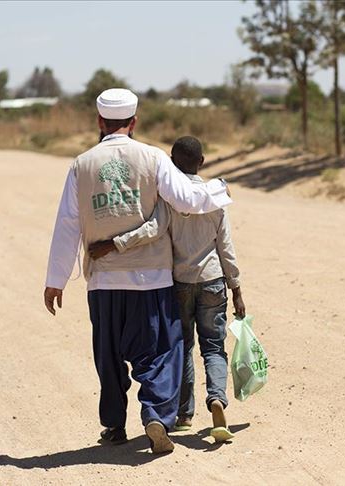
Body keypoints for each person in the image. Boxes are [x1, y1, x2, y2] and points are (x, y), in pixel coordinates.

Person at [43, 88, 232, 454]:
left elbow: (67, 224)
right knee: (160, 351)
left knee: (109, 356)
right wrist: (220, 189)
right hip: (152, 280)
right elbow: (188, 201)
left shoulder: (81, 165)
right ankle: (157, 416)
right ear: (134, 122)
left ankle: (114, 426)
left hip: (103, 281)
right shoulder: (153, 158)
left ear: (100, 122)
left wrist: (55, 281)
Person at [88, 136, 245, 443]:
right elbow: (226, 247)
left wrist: (114, 244)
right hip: (213, 280)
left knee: (183, 347)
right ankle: (216, 401)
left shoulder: (169, 197)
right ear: (202, 162)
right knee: (214, 347)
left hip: (180, 283)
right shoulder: (215, 196)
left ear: (172, 162)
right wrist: (236, 287)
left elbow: (152, 230)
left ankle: (183, 415)